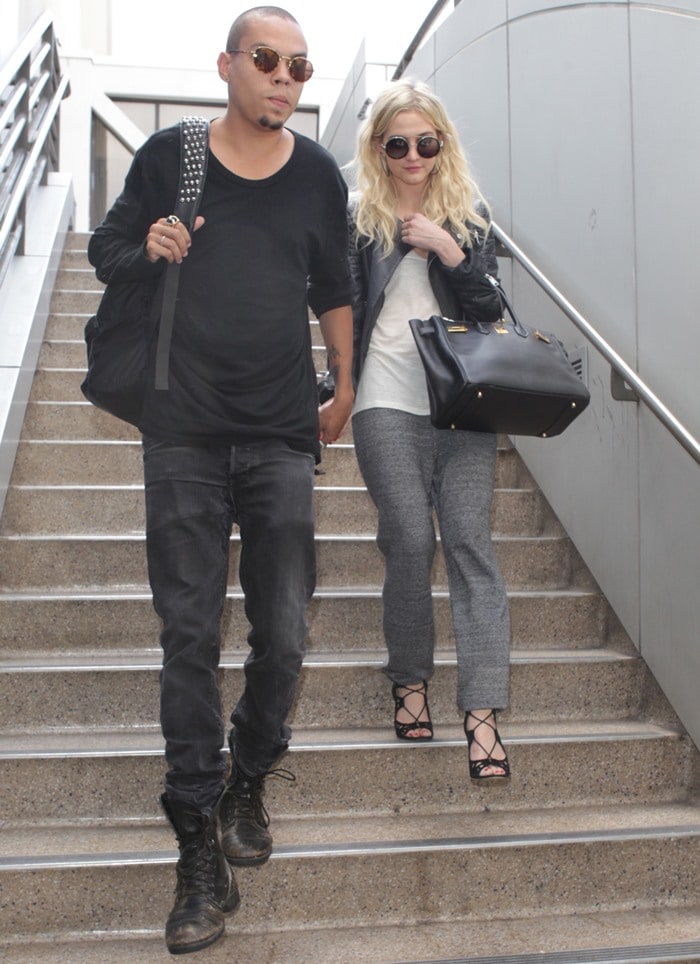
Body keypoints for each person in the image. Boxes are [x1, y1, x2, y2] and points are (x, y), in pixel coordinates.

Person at [88, 6, 354, 955]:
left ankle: (252, 770)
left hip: (282, 429)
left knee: (283, 630)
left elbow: (334, 284)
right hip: (184, 434)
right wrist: (150, 245)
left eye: (300, 65)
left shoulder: (319, 174)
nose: (286, 78)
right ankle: (197, 840)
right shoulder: (172, 157)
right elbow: (105, 251)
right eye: (268, 60)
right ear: (229, 66)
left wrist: (346, 382)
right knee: (189, 635)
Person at [347, 79, 511, 783]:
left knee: (470, 540)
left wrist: (448, 248)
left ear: (441, 143)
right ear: (379, 148)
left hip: (463, 403)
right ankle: (409, 679)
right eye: (397, 144)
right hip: (385, 398)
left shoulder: (467, 221)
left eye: (425, 142)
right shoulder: (358, 223)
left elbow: (493, 308)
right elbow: (334, 309)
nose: (413, 156)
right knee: (410, 538)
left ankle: (482, 714)